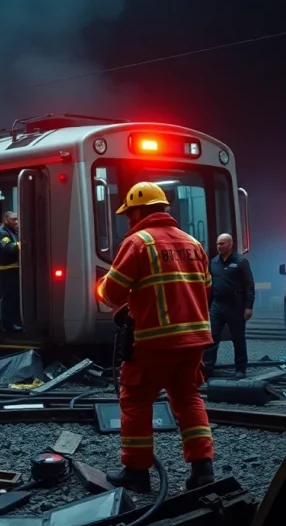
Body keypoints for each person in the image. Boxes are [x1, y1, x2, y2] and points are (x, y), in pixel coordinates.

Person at [94, 181, 216, 494]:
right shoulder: (194, 244)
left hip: (153, 341)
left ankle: (136, 472)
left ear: (138, 211)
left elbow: (110, 293)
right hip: (194, 341)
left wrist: (109, 289)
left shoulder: (139, 242)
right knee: (188, 398)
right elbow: (204, 289)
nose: (128, 220)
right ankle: (203, 469)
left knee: (135, 399)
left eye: (129, 214)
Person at [202, 233, 255, 379]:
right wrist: (207, 305)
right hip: (217, 305)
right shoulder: (213, 263)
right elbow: (209, 285)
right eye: (218, 244)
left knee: (238, 338)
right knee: (211, 338)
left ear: (230, 244)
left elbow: (249, 285)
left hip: (235, 305)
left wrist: (248, 306)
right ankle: (207, 369)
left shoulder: (241, 262)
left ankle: (240, 369)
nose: (219, 246)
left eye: (222, 244)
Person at [0, 211, 22, 332]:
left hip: (14, 270)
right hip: (5, 271)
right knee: (8, 299)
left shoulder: (13, 232)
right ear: (5, 219)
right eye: (13, 219)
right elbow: (9, 248)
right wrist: (22, 244)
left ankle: (15, 321)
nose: (16, 222)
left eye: (17, 219)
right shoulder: (1, 233)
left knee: (15, 297)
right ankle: (7, 325)